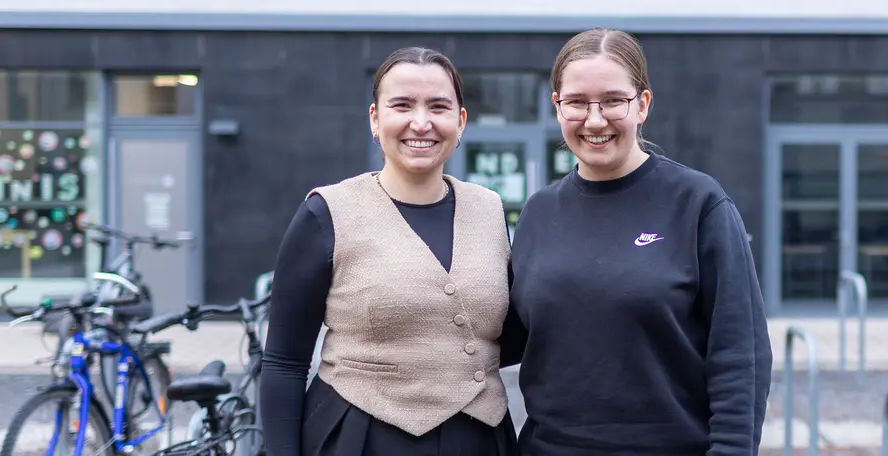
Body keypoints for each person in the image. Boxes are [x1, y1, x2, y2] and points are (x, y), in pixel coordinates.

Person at [503, 28, 773, 455]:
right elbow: (499, 339)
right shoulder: (539, 213)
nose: (595, 120)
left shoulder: (698, 203)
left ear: (642, 105)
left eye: (613, 100)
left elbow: (740, 356)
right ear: (557, 107)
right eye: (576, 102)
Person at [260, 47, 518, 456]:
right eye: (402, 105)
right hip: (360, 437)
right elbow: (284, 363)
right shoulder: (327, 212)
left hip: (480, 439)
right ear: (375, 120)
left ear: (461, 121)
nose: (421, 122)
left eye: (438, 106)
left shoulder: (489, 210)